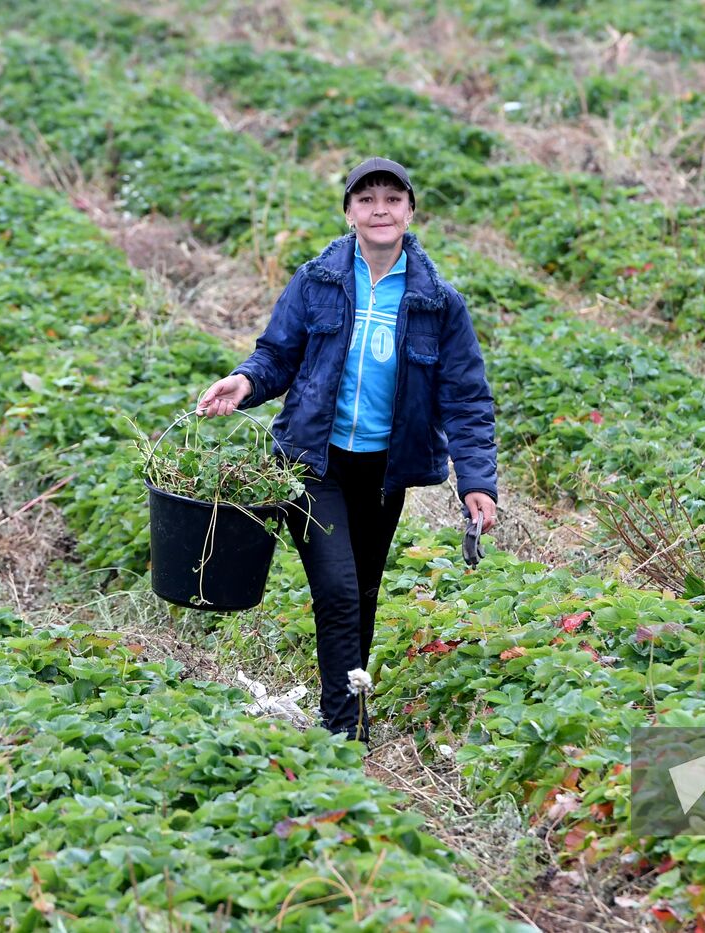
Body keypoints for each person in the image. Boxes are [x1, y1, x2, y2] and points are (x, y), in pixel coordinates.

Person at [197, 157, 498, 744]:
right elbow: (277, 356)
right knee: (336, 590)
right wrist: (246, 382)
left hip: (385, 472)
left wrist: (477, 482)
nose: (379, 209)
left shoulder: (439, 303)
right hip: (315, 462)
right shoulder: (318, 281)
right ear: (349, 212)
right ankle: (342, 731)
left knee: (361, 590)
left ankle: (349, 707)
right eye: (366, 199)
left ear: (411, 212)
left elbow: (466, 398)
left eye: (392, 199)